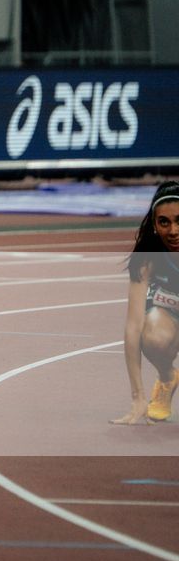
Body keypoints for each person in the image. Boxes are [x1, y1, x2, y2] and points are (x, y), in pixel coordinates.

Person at [113, 182, 179, 425]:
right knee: (149, 334)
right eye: (165, 222)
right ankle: (167, 377)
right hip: (169, 318)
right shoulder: (147, 257)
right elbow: (133, 326)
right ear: (154, 224)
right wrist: (137, 396)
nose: (173, 230)